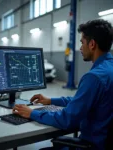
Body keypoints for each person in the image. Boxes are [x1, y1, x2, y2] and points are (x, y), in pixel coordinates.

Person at [13, 19, 113, 150]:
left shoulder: (94, 77)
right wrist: (50, 100)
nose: (80, 48)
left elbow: (67, 119)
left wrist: (32, 113)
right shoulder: (108, 69)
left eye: (82, 43)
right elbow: (83, 100)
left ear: (92, 44)